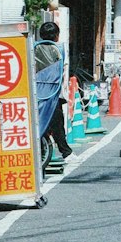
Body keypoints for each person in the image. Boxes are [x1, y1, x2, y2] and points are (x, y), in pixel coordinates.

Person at [34, 20, 72, 173]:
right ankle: (65, 151)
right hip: (53, 91)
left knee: (38, 122)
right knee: (57, 122)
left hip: (37, 91)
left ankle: (40, 151)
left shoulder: (34, 48)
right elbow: (63, 72)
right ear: (57, 36)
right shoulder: (60, 49)